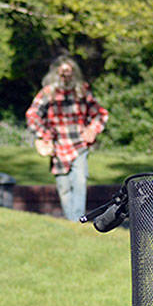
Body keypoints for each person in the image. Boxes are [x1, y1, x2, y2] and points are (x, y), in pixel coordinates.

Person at [25, 55, 108, 221]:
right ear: (56, 74)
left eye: (69, 73)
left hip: (80, 144)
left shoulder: (82, 91)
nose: (66, 77)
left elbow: (100, 113)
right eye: (62, 73)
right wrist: (44, 134)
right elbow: (32, 114)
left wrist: (92, 129)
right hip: (58, 146)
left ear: (74, 74)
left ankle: (77, 221)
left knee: (79, 182)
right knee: (63, 187)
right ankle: (71, 220)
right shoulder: (48, 93)